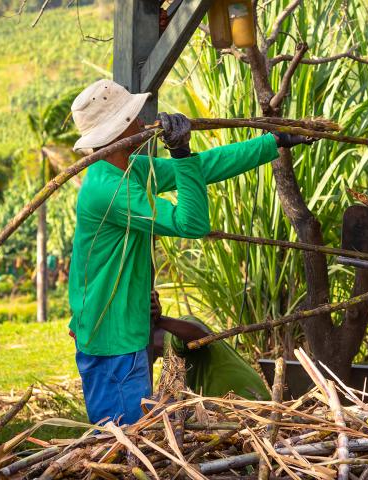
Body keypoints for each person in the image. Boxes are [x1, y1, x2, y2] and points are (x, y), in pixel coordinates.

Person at [68, 79, 314, 425]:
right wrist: (180, 152)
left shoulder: (127, 169)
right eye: (134, 118)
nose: (142, 123)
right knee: (123, 442)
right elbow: (191, 224)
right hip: (113, 340)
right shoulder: (108, 189)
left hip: (119, 327)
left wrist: (273, 141)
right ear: (121, 129)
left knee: (133, 438)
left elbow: (204, 167)